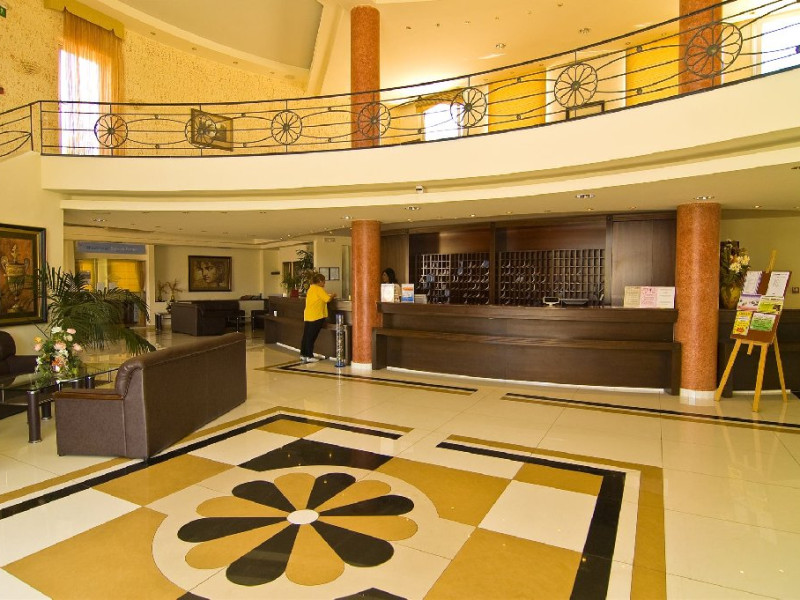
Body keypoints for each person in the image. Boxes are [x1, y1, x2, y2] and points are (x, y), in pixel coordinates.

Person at [300, 273, 336, 363]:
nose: (324, 283)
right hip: (316, 316)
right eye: (323, 281)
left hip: (309, 315)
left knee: (306, 336)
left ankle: (303, 354)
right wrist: (333, 295)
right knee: (311, 337)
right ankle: (309, 356)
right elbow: (327, 299)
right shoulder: (319, 289)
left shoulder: (311, 288)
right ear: (319, 281)